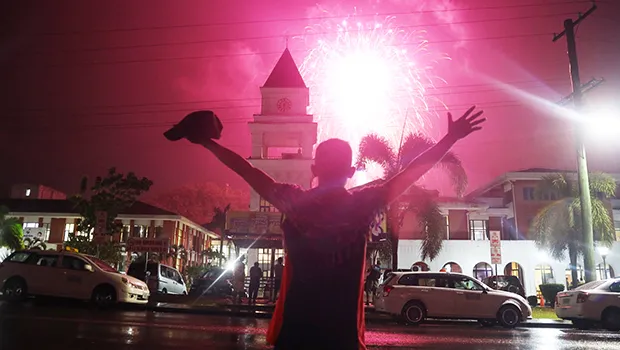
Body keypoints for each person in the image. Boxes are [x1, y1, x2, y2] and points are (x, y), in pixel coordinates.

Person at [169, 105, 485, 349]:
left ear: (314, 168)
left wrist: (206, 143)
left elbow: (246, 169)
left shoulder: (293, 201)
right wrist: (450, 137)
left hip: (295, 334)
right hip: (342, 337)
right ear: (350, 171)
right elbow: (413, 172)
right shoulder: (364, 203)